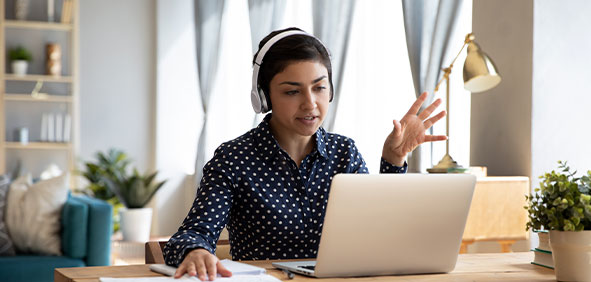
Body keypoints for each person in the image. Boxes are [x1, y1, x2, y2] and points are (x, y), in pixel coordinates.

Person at [163, 27, 447, 281]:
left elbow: (382, 232)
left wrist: (393, 161)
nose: (310, 104)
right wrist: (196, 251)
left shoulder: (344, 153)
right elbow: (190, 235)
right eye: (291, 92)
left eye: (319, 87)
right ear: (263, 97)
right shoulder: (234, 158)